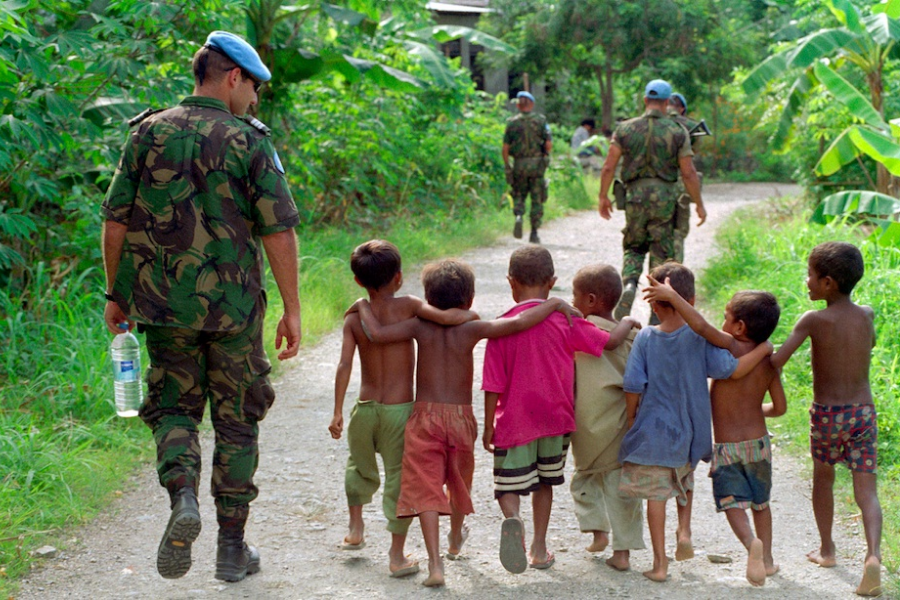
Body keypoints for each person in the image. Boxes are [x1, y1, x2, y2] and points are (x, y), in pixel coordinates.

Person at [101, 30, 301, 582]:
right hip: (235, 313)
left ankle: (183, 498)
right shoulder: (249, 141)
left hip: (163, 309)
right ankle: (232, 549)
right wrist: (292, 308)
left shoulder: (147, 132)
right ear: (232, 77)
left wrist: (117, 292)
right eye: (254, 87)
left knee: (173, 410)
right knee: (238, 421)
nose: (255, 100)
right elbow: (278, 230)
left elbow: (115, 219)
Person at [355, 259, 579, 587]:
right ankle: (455, 540)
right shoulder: (472, 327)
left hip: (425, 416)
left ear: (429, 299)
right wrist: (555, 303)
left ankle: (435, 566)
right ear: (470, 299)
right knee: (457, 481)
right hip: (460, 419)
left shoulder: (419, 325)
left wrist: (361, 305)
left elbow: (375, 333)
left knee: (425, 487)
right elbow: (518, 323)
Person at [482, 246, 640, 574]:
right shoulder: (565, 319)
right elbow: (609, 343)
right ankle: (539, 548)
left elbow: (492, 383)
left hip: (514, 419)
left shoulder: (502, 327)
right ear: (552, 282)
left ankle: (513, 521)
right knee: (544, 483)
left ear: (511, 283)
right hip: (555, 418)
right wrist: (626, 322)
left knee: (507, 484)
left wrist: (487, 425)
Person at [617, 262, 773, 583]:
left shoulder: (646, 338)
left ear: (653, 304)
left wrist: (632, 417)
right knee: (684, 482)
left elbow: (633, 384)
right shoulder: (701, 338)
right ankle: (684, 531)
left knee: (656, 495)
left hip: (654, 432)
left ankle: (660, 564)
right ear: (694, 299)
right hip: (691, 433)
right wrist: (764, 351)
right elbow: (728, 369)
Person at [329, 240, 474, 578]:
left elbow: (343, 366)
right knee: (399, 480)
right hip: (399, 411)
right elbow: (444, 317)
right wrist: (471, 316)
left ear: (357, 281)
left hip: (363, 409)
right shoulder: (409, 306)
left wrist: (337, 411)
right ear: (398, 277)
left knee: (359, 466)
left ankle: (356, 527)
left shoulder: (354, 318)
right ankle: (396, 556)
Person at [770, 241, 883, 597]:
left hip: (828, 415)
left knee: (824, 478)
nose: (807, 281)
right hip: (863, 412)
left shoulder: (813, 320)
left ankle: (828, 550)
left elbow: (777, 360)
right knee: (867, 490)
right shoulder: (866, 314)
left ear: (828, 283)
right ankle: (873, 555)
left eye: (811, 275)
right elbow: (872, 343)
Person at [597, 79, 707, 321]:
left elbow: (608, 166)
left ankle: (629, 284)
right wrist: (698, 203)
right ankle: (656, 312)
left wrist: (603, 196)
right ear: (667, 103)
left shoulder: (625, 129)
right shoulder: (677, 131)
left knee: (634, 246)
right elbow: (688, 172)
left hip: (634, 196)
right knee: (661, 253)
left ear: (645, 100)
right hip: (665, 199)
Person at [568, 264, 645, 572]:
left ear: (589, 300)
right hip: (621, 424)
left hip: (586, 423)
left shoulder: (581, 330)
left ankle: (598, 532)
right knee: (621, 488)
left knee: (583, 479)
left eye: (575, 296)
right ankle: (623, 553)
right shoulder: (635, 336)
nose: (572, 302)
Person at [503, 91, 552, 244]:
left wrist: (507, 166)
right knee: (537, 198)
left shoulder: (512, 122)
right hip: (537, 165)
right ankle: (534, 232)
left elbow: (505, 148)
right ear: (531, 104)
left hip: (519, 164)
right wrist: (545, 155)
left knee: (519, 194)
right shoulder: (541, 121)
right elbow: (549, 144)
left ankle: (518, 215)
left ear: (518, 105)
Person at [667, 92, 704, 264]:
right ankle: (674, 277)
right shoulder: (691, 127)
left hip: (648, 189)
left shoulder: (645, 125)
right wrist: (699, 203)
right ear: (681, 109)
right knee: (677, 234)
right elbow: (689, 164)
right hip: (680, 187)